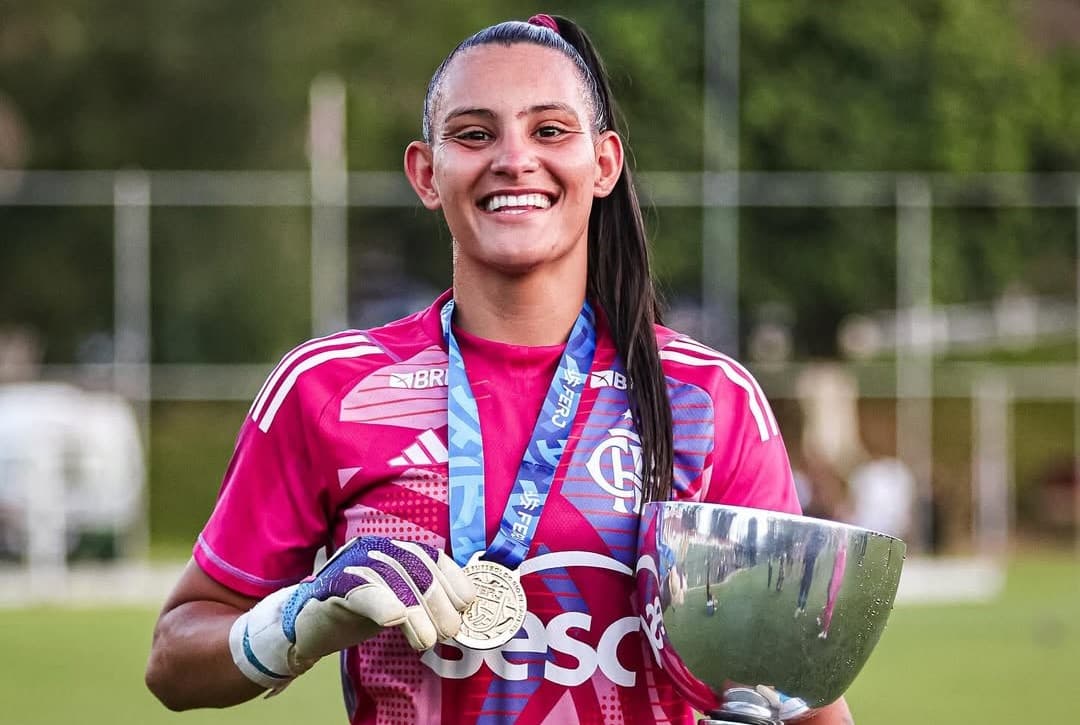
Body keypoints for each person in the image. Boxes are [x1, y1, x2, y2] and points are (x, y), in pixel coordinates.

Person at [145, 14, 854, 724]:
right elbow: (174, 660)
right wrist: (302, 616)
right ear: (426, 173)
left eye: (549, 130)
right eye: (475, 134)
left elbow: (801, 699)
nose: (514, 159)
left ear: (603, 164)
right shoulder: (329, 389)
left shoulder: (707, 399)